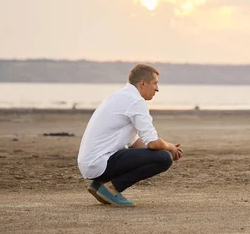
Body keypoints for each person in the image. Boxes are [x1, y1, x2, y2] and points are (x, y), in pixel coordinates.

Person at [77, 63, 183, 206]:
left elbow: (135, 143)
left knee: (157, 153)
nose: (157, 89)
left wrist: (159, 149)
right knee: (163, 158)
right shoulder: (135, 101)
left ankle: (99, 184)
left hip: (90, 163)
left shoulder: (118, 96)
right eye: (155, 84)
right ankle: (112, 188)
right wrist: (169, 147)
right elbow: (152, 142)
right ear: (143, 83)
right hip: (100, 162)